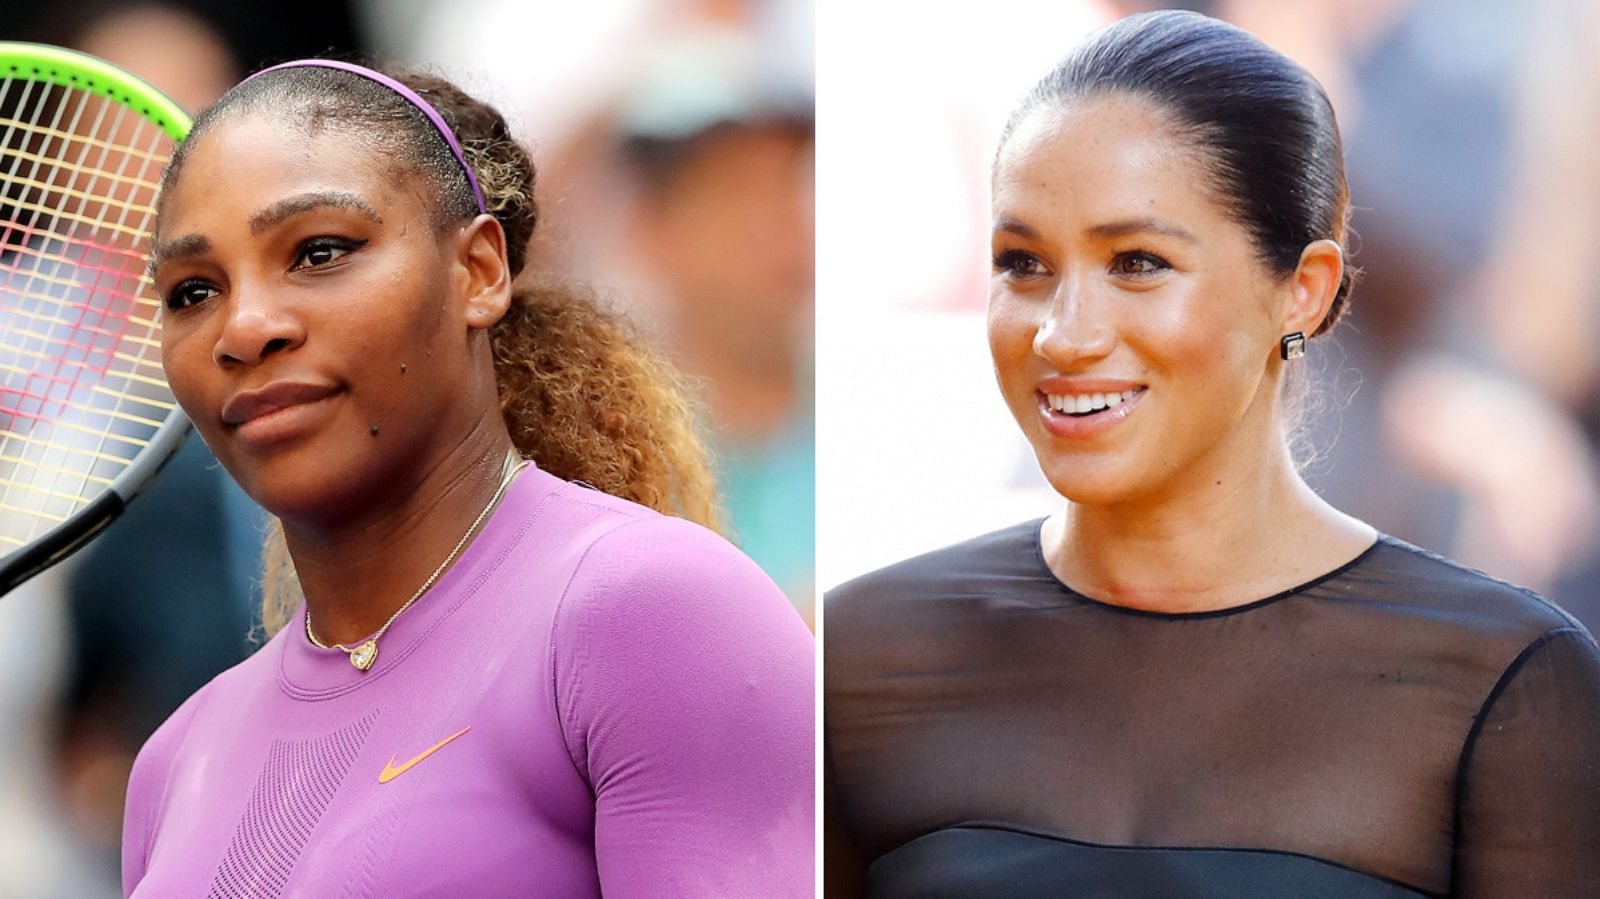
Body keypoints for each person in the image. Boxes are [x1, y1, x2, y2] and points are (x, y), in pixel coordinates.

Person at [824, 11, 1600, 898]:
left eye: (1139, 262)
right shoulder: (864, 659)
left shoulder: (1502, 683)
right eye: (1024, 263)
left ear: (1302, 291)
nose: (1063, 333)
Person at [121, 59, 813, 897]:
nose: (245, 327)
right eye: (193, 290)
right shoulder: (172, 760)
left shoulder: (651, 609)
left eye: (319, 251)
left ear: (479, 271)